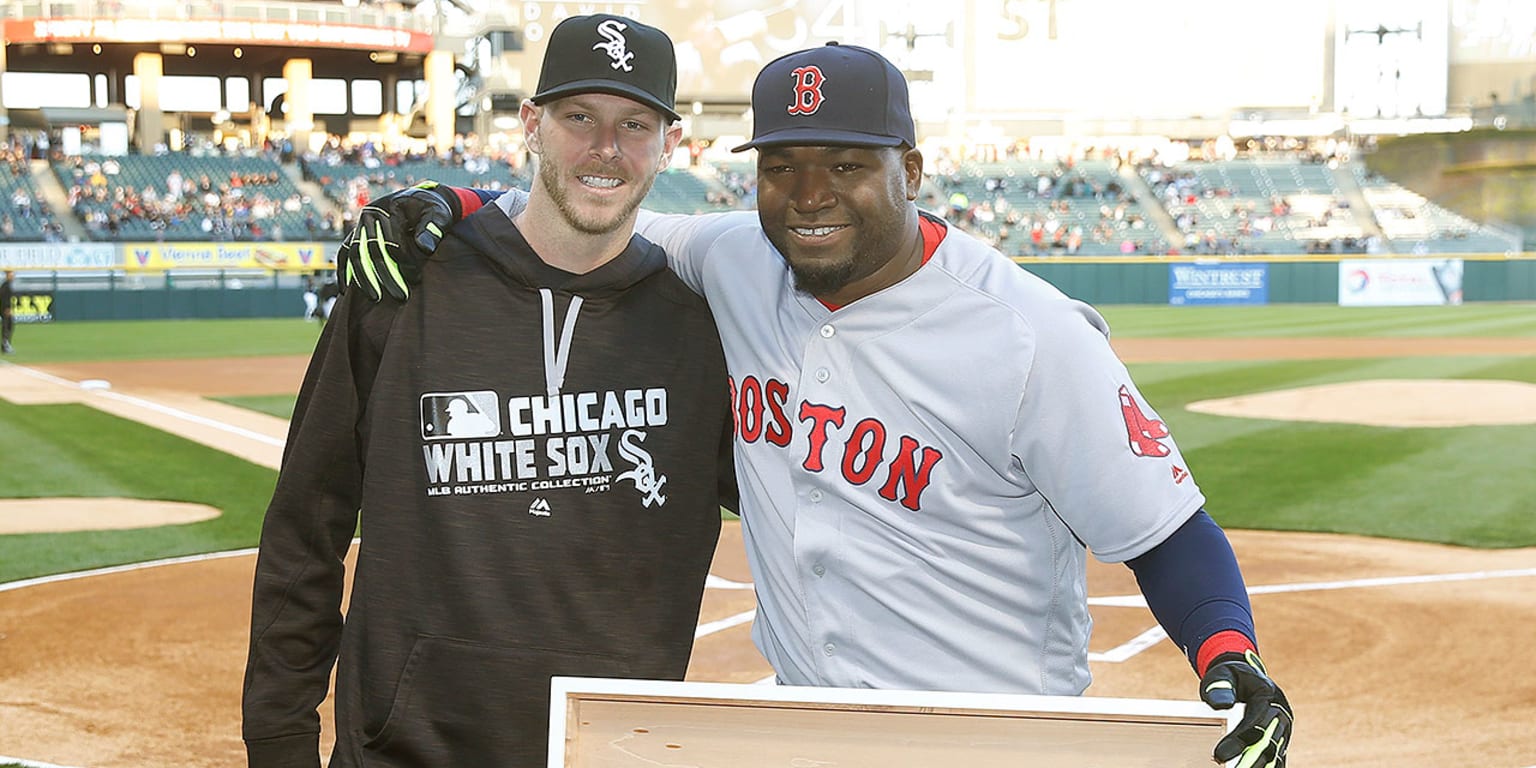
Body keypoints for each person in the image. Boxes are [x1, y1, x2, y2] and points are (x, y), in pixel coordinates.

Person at [342, 43, 1291, 767]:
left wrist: (1229, 654)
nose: (806, 196)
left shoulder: (1028, 335)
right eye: (781, 166)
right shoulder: (734, 259)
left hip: (996, 734)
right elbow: (585, 211)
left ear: (908, 171)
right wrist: (452, 204)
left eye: (844, 165)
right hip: (808, 731)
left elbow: (1165, 528)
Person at [242, 14, 736, 768]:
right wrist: (279, 742)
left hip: (609, 754)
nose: (605, 149)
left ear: (670, 144)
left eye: (634, 124)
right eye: (580, 118)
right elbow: (307, 526)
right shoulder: (403, 284)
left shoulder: (706, 328)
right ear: (531, 125)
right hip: (400, 749)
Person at [1, 269, 15, 354]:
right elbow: (4, 298)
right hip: (5, 309)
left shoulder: (7, 285)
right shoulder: (5, 285)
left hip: (5, 308)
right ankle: (6, 345)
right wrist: (7, 308)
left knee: (9, 325)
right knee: (7, 326)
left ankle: (5, 345)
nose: (12, 276)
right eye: (11, 275)